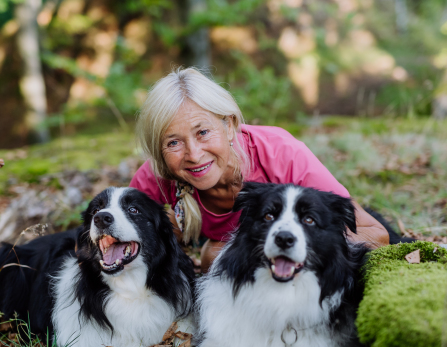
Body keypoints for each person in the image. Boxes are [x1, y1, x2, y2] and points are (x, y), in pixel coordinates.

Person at [130, 68, 388, 272]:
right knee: (214, 256)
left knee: (217, 255)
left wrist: (272, 249)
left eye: (203, 132)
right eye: (173, 142)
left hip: (292, 247)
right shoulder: (158, 173)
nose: (194, 155)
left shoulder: (281, 153)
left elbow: (376, 235)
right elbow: (112, 238)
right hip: (238, 253)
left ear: (229, 125)